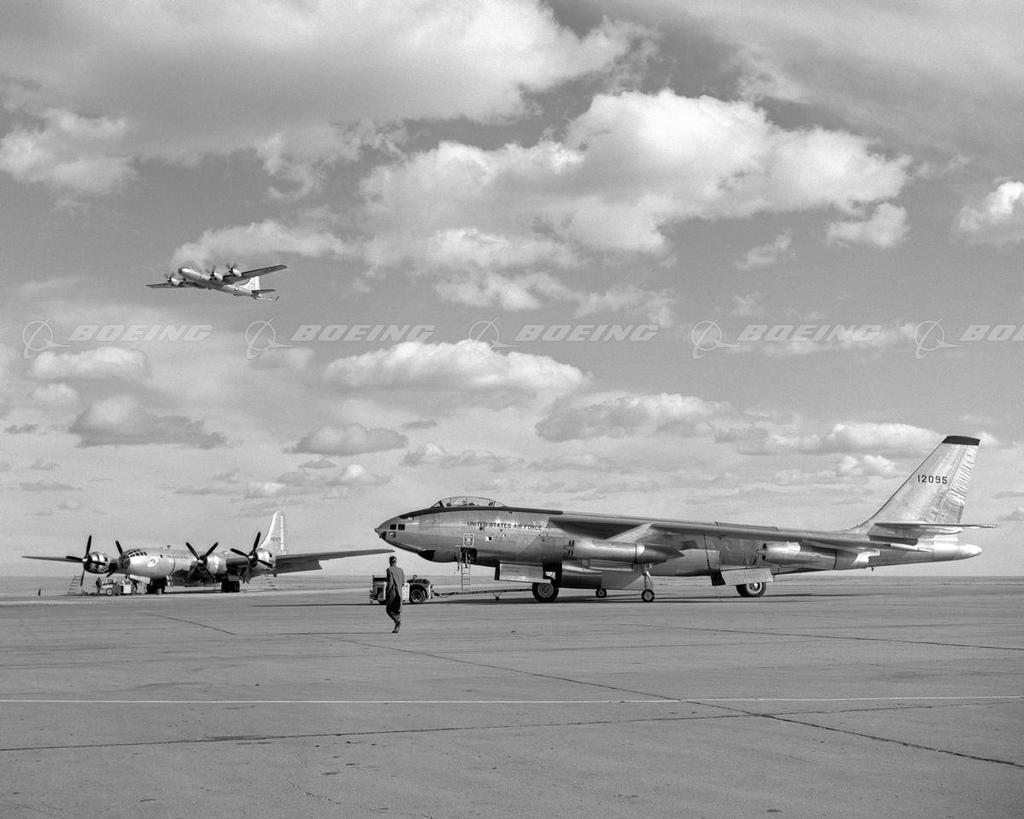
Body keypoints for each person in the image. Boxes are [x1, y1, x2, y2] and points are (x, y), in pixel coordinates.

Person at [385, 555, 405, 633]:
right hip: (399, 592)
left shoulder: (389, 570)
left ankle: (397, 621)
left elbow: (390, 583)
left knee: (389, 610)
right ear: (396, 562)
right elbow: (403, 583)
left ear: (389, 562)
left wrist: (387, 593)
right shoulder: (400, 570)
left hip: (392, 592)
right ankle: (396, 628)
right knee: (397, 610)